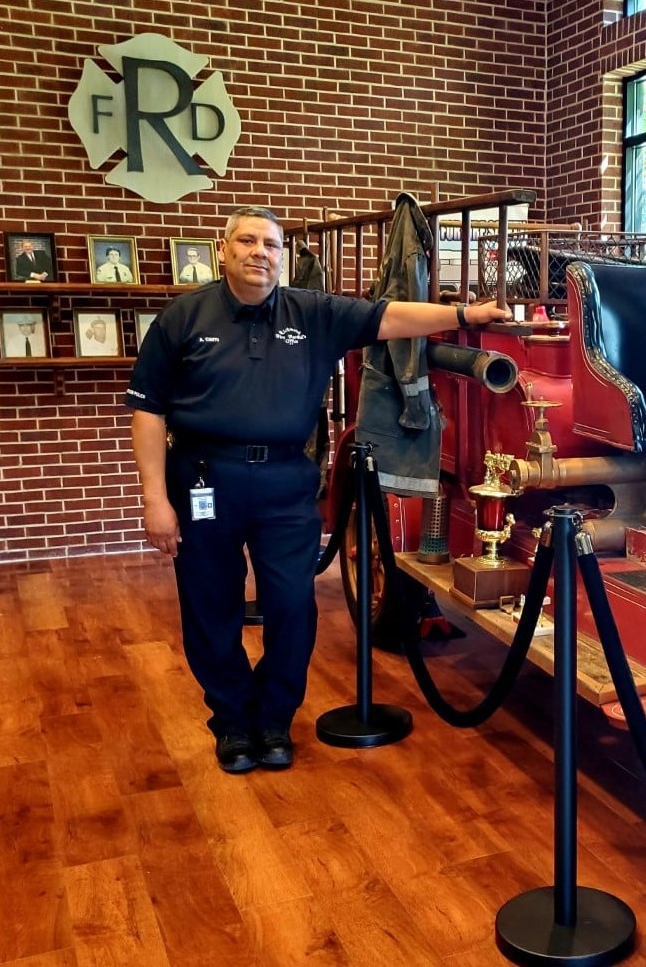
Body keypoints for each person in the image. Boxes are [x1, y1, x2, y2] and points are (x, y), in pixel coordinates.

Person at [126, 205, 510, 774]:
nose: (261, 252)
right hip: (204, 478)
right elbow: (148, 411)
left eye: (271, 245)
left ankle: (275, 721)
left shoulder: (313, 313)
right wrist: (155, 499)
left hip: (286, 481)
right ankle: (233, 723)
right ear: (224, 249)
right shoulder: (183, 317)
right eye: (248, 241)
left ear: (282, 255)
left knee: (291, 606)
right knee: (210, 607)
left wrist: (462, 312)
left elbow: (390, 316)